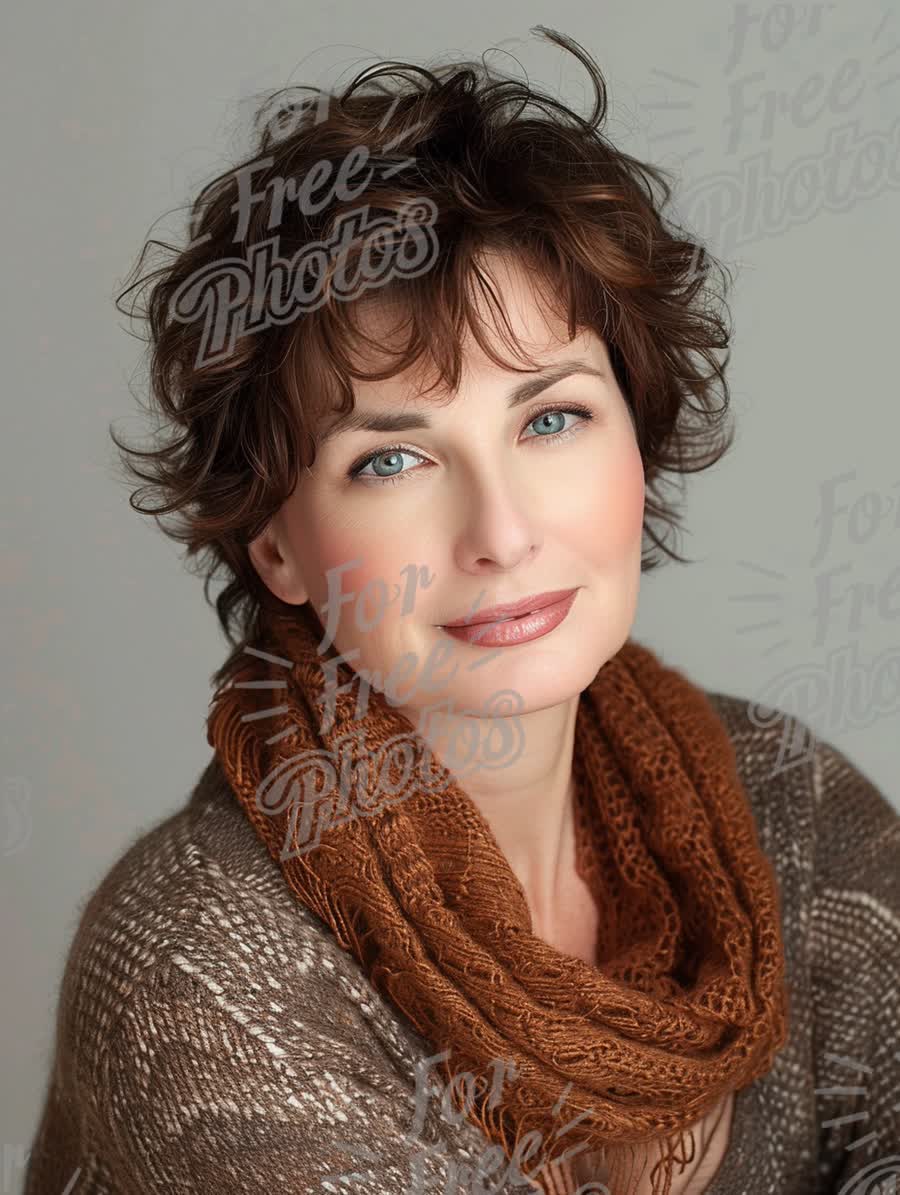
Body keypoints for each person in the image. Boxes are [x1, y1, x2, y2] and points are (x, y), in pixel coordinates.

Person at [24, 26, 899, 1195]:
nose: (501, 534)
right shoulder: (197, 971)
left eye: (552, 420)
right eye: (391, 462)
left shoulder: (794, 804)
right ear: (274, 539)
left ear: (640, 439)